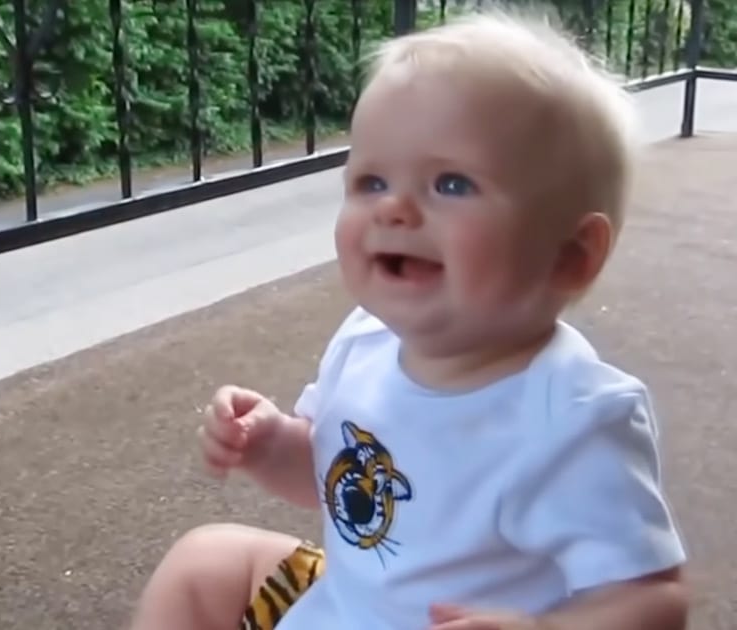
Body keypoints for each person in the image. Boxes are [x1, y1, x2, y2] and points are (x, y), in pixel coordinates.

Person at [129, 7, 689, 630]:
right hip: (343, 602)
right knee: (206, 562)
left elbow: (652, 599)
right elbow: (331, 485)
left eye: (451, 184)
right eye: (371, 182)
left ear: (571, 255)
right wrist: (270, 445)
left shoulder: (575, 420)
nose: (393, 208)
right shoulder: (365, 340)